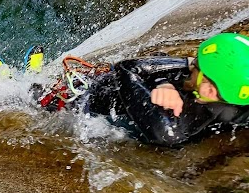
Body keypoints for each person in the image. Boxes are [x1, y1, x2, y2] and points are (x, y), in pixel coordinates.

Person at [38, 33, 249, 147]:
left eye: (220, 93)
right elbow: (137, 65)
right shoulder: (195, 71)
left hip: (107, 105)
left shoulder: (174, 129)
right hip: (101, 97)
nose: (213, 95)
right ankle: (35, 86)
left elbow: (127, 69)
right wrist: (162, 82)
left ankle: (38, 88)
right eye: (211, 86)